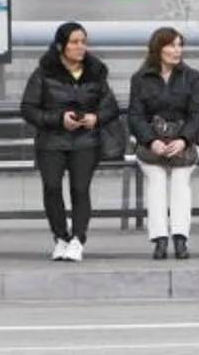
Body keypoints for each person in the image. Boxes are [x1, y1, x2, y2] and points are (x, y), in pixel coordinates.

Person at [19, 22, 120, 263]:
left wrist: (95, 118)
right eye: (74, 42)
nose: (80, 47)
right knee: (52, 188)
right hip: (51, 141)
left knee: (80, 189)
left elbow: (111, 107)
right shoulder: (43, 73)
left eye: (83, 42)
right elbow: (28, 109)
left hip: (86, 141)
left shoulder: (96, 72)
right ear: (60, 45)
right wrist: (58, 119)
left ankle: (77, 239)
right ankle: (60, 238)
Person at [126, 26, 199, 261]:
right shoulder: (140, 79)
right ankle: (160, 239)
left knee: (181, 180)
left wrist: (183, 140)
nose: (177, 50)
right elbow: (135, 116)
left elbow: (198, 115)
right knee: (157, 181)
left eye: (180, 45)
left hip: (184, 143)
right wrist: (151, 141)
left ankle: (180, 238)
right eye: (171, 45)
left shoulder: (192, 77)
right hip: (152, 144)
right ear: (158, 49)